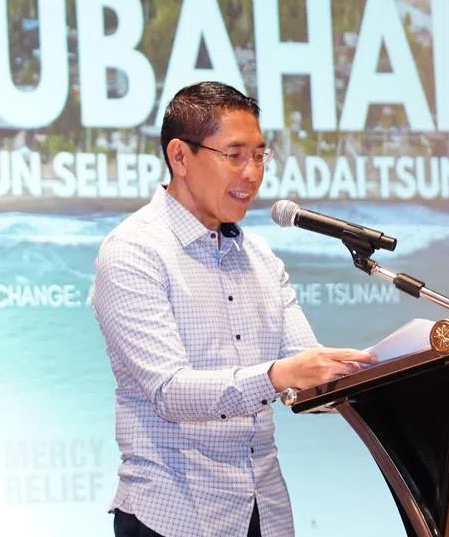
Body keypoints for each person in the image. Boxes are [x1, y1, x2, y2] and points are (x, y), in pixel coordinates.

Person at [90, 82, 378, 537]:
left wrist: (384, 372)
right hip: (174, 515)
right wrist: (279, 375)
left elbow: (305, 370)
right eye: (235, 155)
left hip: (265, 511)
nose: (252, 173)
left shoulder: (260, 257)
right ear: (180, 156)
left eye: (260, 156)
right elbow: (169, 391)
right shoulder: (133, 252)